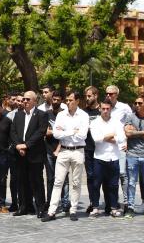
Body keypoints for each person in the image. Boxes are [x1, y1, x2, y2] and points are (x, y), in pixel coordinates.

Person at [43, 91, 89, 221]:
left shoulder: (83, 115)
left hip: (78, 151)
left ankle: (73, 210)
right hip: (63, 150)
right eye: (67, 100)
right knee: (58, 181)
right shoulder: (62, 115)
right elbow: (57, 134)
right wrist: (73, 131)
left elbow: (83, 135)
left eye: (70, 100)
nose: (68, 102)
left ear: (77, 101)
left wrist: (65, 132)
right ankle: (52, 212)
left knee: (76, 182)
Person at [12, 91, 49, 218]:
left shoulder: (41, 115)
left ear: (34, 101)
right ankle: (24, 206)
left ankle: (40, 208)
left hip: (35, 153)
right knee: (21, 181)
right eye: (23, 99)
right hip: (20, 153)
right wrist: (18, 145)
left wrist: (26, 145)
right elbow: (13, 131)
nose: (25, 101)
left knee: (36, 181)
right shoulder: (18, 115)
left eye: (28, 99)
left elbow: (41, 132)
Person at [90, 98, 127, 217]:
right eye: (103, 109)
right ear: (100, 109)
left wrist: (105, 137)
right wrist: (112, 135)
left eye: (108, 109)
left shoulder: (117, 122)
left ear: (111, 109)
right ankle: (95, 207)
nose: (105, 111)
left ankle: (113, 207)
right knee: (96, 184)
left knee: (113, 185)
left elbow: (121, 138)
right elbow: (96, 139)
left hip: (114, 158)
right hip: (99, 157)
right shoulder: (95, 122)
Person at [123, 96, 144, 218]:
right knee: (131, 182)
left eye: (140, 103)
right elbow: (127, 133)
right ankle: (130, 207)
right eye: (135, 102)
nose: (137, 105)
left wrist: (135, 133)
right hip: (132, 155)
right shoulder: (130, 117)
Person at [82, 86, 101, 214]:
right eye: (86, 96)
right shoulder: (83, 113)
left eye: (89, 96)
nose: (87, 99)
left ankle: (108, 203)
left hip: (102, 149)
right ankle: (93, 203)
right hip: (88, 149)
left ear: (96, 96)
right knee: (90, 176)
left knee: (101, 177)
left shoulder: (103, 110)